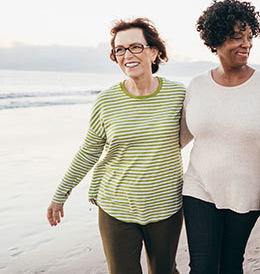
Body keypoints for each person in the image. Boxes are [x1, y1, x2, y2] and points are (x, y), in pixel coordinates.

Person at [46, 18, 186, 274]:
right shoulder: (107, 101)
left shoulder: (179, 95)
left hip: (165, 207)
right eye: (119, 50)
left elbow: (206, 128)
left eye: (135, 47)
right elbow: (89, 151)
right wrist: (60, 195)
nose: (127, 55)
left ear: (154, 52)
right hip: (116, 207)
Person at [180, 0, 260, 274]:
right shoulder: (197, 85)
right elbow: (178, 138)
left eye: (249, 36)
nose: (246, 44)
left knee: (229, 265)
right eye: (237, 37)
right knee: (202, 267)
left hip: (246, 192)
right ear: (215, 40)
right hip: (198, 186)